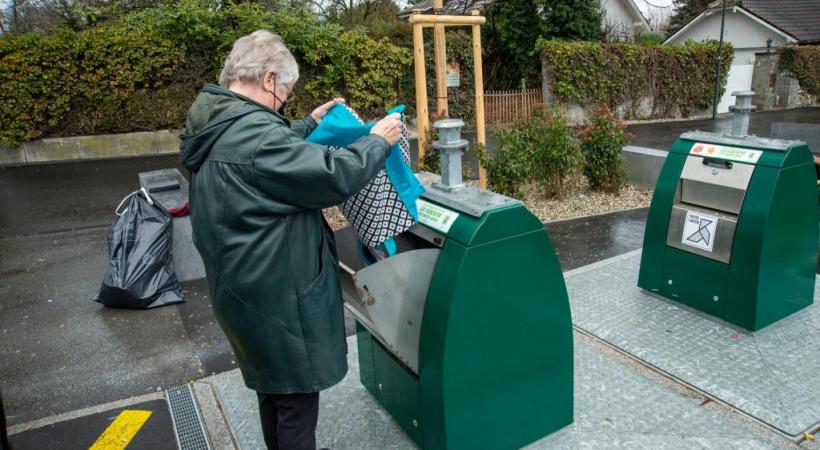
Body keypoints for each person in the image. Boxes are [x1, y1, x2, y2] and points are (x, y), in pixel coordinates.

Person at [180, 30, 401, 450]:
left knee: (275, 392)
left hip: (244, 288)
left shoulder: (215, 123)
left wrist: (308, 124)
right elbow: (332, 174)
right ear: (267, 80)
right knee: (296, 404)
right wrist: (377, 141)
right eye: (285, 91)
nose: (284, 99)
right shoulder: (256, 138)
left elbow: (267, 158)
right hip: (279, 297)